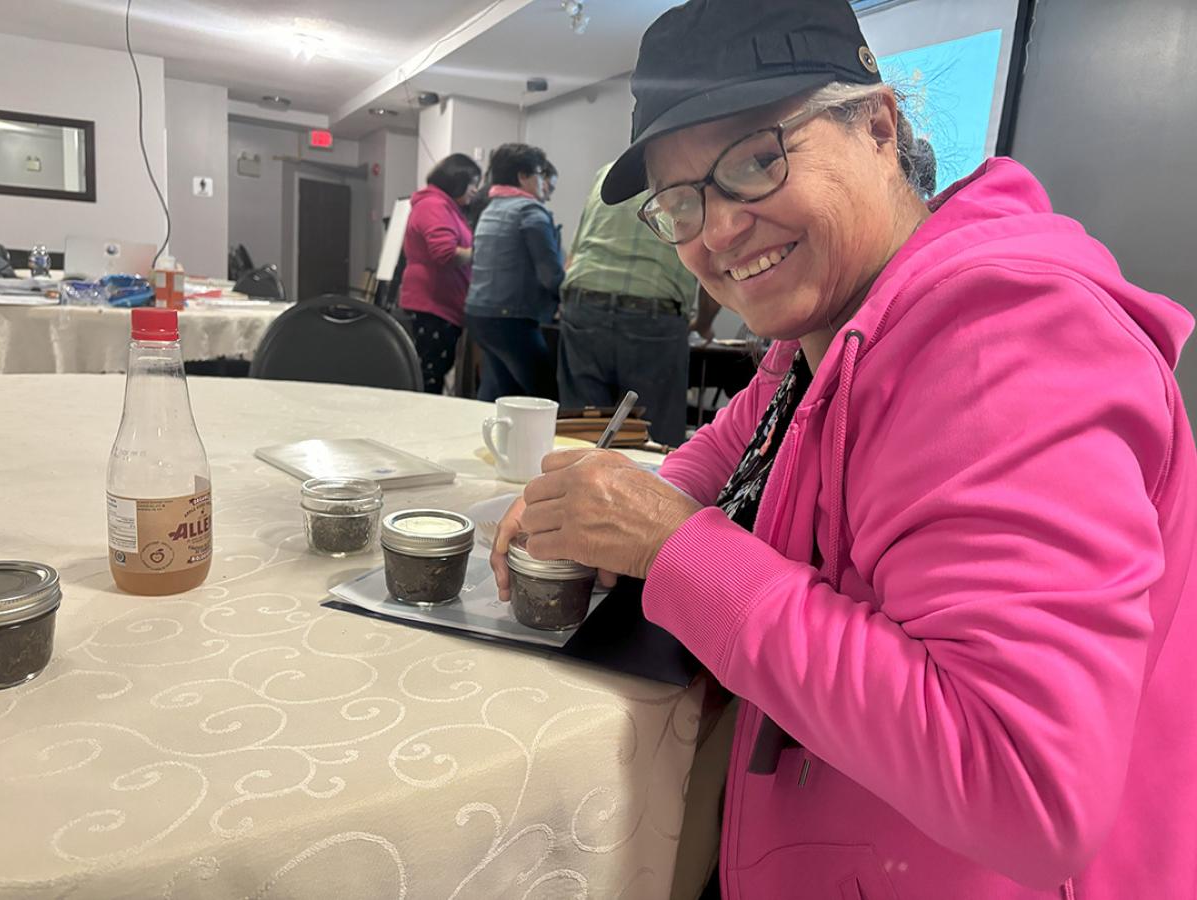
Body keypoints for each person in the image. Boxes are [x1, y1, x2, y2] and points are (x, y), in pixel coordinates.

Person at [490, 0, 1197, 897]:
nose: (714, 232)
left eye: (754, 159)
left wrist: (673, 550)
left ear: (877, 125)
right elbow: (727, 451)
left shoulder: (1005, 343)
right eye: (680, 202)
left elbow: (1028, 790)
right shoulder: (828, 331)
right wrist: (610, 512)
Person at [557, 162, 718, 446]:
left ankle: (576, 485)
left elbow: (575, 252)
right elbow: (715, 258)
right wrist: (703, 323)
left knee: (580, 429)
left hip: (584, 302)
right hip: (654, 315)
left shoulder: (607, 171)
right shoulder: (693, 171)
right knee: (653, 437)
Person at [464, 143, 565, 400]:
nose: (543, 182)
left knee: (502, 394)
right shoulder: (530, 212)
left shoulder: (491, 209)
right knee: (546, 399)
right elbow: (549, 275)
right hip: (511, 319)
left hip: (479, 314)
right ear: (522, 176)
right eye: (540, 174)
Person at [397, 153, 481, 393]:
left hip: (440, 304)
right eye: (472, 182)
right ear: (457, 180)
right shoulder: (435, 205)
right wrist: (480, 252)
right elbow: (445, 254)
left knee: (433, 372)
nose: (475, 190)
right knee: (430, 375)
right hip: (433, 305)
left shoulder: (444, 206)